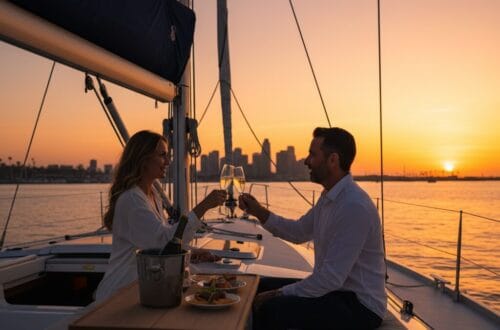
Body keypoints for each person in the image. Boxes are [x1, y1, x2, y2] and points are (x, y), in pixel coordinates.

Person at [239, 127, 386, 330]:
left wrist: (278, 293)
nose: (306, 161)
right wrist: (258, 211)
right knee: (257, 285)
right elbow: (298, 232)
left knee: (271, 308)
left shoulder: (354, 206)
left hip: (360, 306)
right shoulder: (329, 198)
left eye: (312, 154)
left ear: (333, 160)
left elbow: (331, 278)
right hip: (336, 291)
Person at [95, 130, 226, 301]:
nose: (168, 161)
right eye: (163, 155)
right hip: (120, 295)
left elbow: (161, 240)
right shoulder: (132, 201)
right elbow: (164, 244)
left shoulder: (151, 195)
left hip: (143, 287)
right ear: (144, 159)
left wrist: (193, 253)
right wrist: (203, 207)